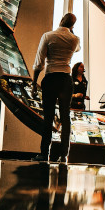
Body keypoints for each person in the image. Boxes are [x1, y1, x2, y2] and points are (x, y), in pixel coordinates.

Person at [32, 13, 81, 162]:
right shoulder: (74, 39)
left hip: (51, 77)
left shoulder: (47, 36)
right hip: (66, 80)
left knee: (48, 117)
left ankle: (44, 153)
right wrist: (71, 32)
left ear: (60, 21)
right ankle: (63, 155)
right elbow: (78, 49)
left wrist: (34, 83)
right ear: (72, 26)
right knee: (65, 118)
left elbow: (39, 62)